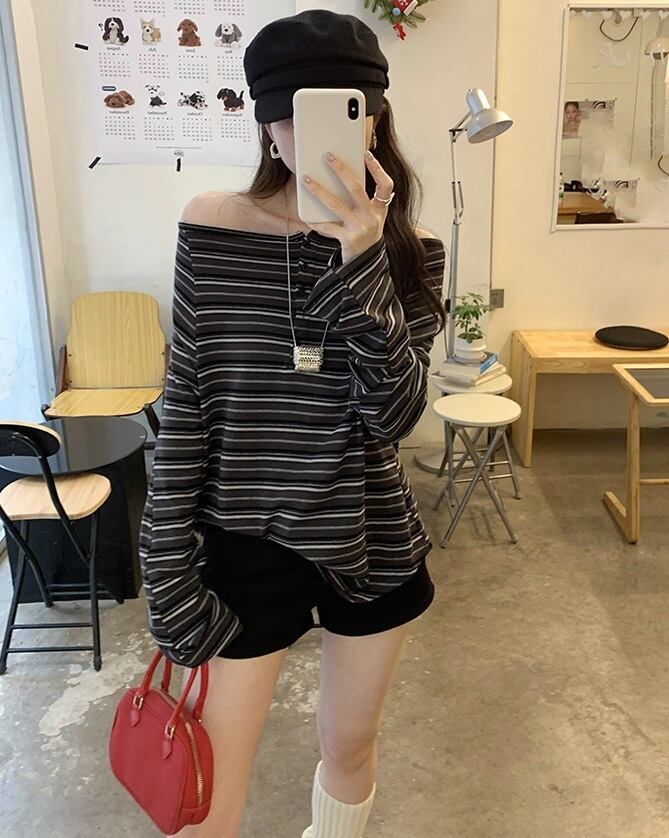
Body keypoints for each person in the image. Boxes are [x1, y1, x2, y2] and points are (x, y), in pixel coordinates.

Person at [137, 9, 446, 838]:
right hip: (243, 537)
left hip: (370, 532)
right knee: (205, 791)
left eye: (344, 112)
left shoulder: (410, 251)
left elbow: (392, 415)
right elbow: (188, 402)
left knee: (349, 745)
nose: (311, 139)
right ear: (266, 127)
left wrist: (361, 258)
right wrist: (165, 566)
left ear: (373, 120)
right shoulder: (212, 224)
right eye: (291, 115)